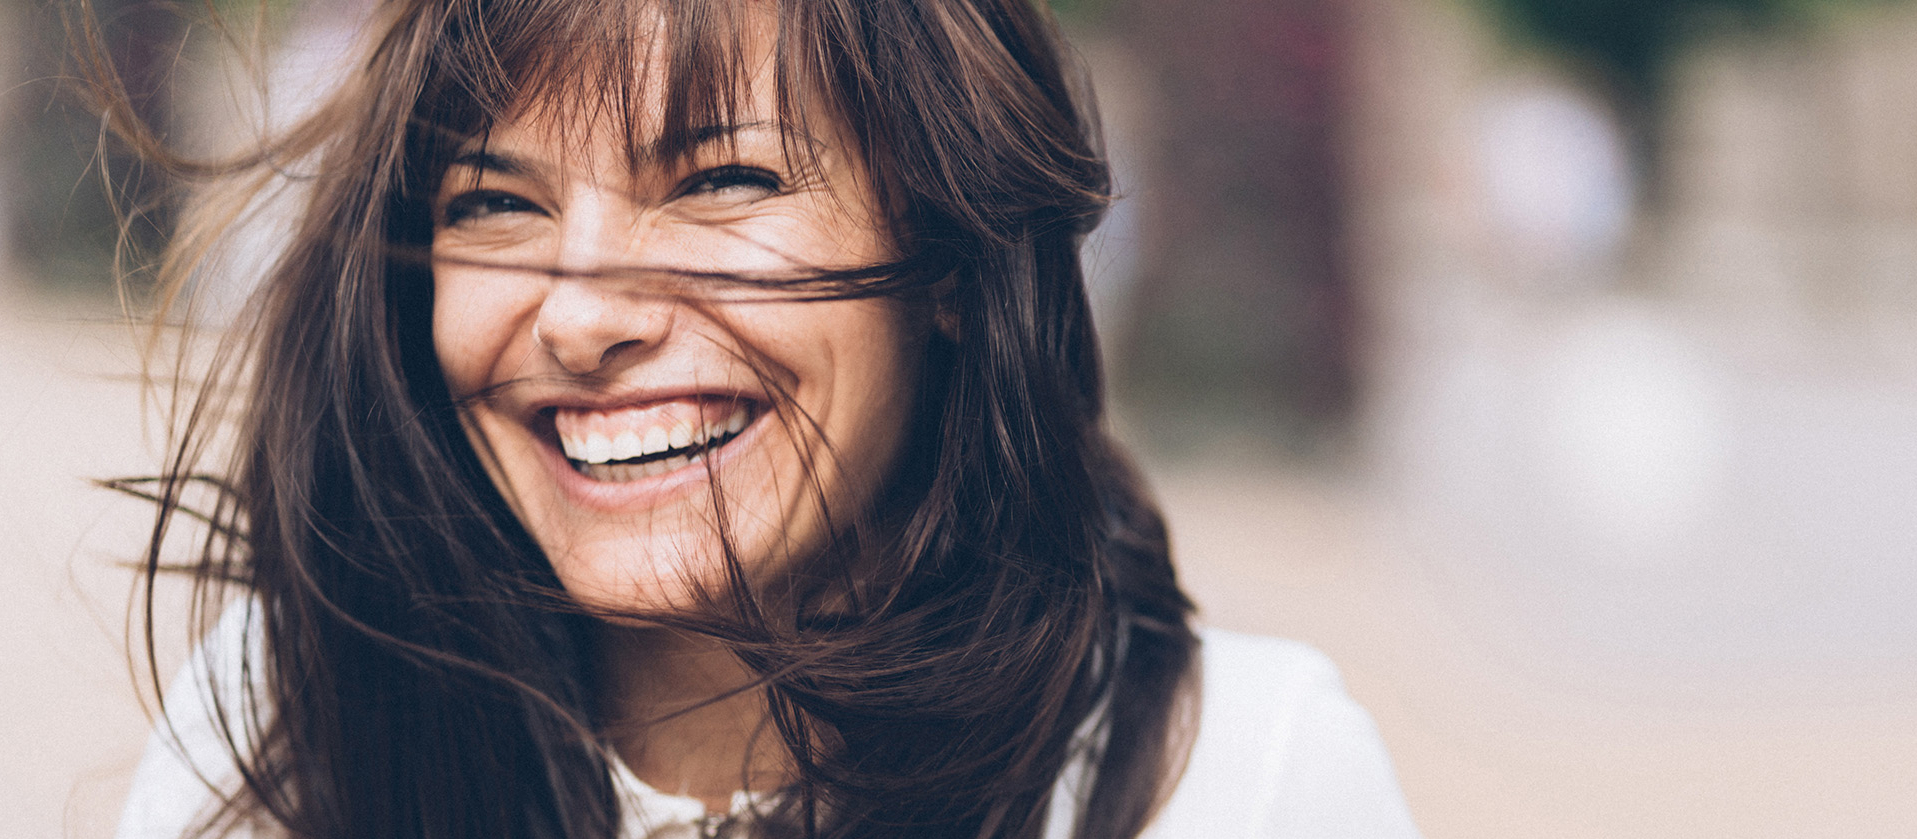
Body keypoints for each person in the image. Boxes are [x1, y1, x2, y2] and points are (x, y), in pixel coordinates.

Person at [99, 0, 1423, 836]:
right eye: (494, 203)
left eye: (721, 179)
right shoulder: (287, 710)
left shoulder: (1236, 780)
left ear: (952, 265)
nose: (578, 317)